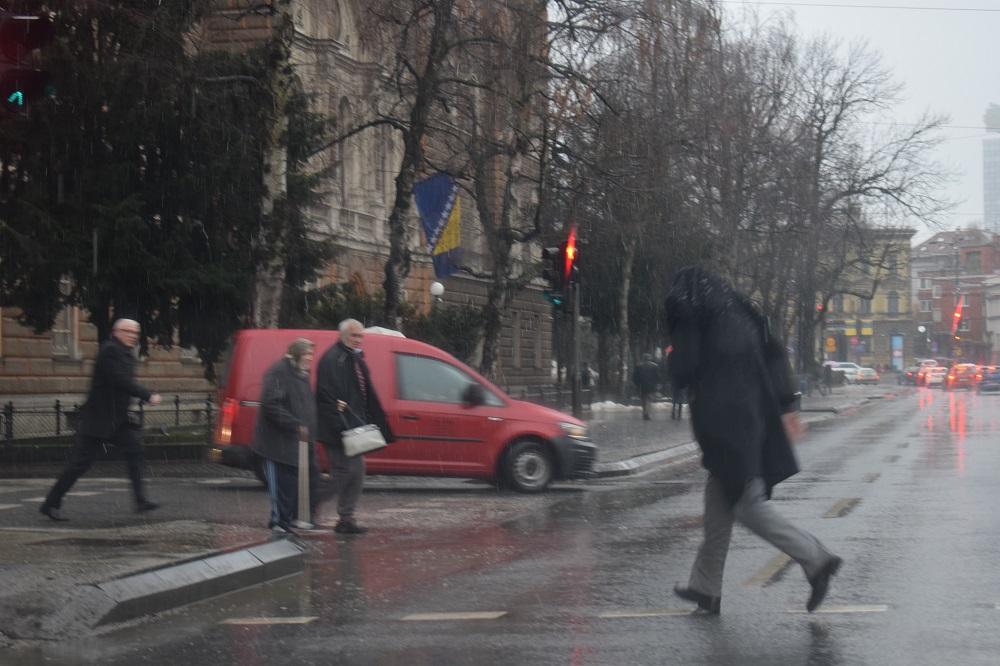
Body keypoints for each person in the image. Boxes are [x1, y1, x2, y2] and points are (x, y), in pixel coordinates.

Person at [665, 267, 842, 614]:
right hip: (752, 417)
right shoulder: (742, 311)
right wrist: (788, 404)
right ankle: (706, 588)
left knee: (748, 505)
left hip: (723, 421)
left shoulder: (689, 311)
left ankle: (817, 559)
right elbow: (775, 355)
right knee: (719, 499)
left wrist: (672, 363)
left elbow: (684, 367)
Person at [40, 318, 162, 521]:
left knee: (134, 452)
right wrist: (147, 395)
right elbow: (120, 380)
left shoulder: (125, 353)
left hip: (117, 420)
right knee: (80, 464)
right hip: (99, 420)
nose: (133, 336)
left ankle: (141, 501)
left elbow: (123, 384)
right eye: (128, 331)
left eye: (136, 333)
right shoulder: (110, 351)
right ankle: (50, 503)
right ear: (116, 332)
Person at [315, 319, 394, 535]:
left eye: (360, 336)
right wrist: (338, 425)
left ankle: (346, 518)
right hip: (338, 429)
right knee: (344, 471)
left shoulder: (353, 357)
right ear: (343, 335)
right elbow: (326, 395)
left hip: (352, 427)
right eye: (354, 336)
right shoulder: (334, 359)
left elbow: (362, 392)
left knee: (357, 471)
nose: (359, 340)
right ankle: (311, 502)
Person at [252, 338, 318, 534]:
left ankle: (290, 520)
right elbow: (270, 404)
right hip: (277, 444)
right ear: (296, 354)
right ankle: (279, 522)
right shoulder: (279, 371)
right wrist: (294, 424)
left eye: (311, 355)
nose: (310, 359)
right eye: (307, 355)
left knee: (295, 484)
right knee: (282, 485)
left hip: (297, 442)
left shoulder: (301, 373)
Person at [633, 353, 660, 420]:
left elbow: (635, 377)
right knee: (649, 400)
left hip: (642, 386)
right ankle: (647, 413)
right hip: (651, 386)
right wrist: (657, 384)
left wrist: (637, 384)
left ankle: (645, 412)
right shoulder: (655, 366)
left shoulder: (639, 366)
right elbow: (657, 376)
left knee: (643, 400)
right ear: (650, 358)